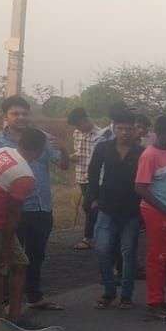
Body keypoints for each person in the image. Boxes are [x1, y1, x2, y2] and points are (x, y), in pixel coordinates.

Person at [0, 96, 69, 312]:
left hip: (41, 207)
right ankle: (8, 304)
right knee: (11, 258)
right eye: (15, 113)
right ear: (5, 116)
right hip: (14, 210)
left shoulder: (43, 139)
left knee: (37, 255)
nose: (20, 117)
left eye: (24, 113)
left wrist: (65, 148)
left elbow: (62, 165)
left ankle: (34, 297)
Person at [0, 127, 44, 323]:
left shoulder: (1, 152)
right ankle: (5, 320)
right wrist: (6, 248)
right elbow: (13, 215)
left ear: (20, 142)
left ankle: (3, 317)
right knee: (7, 267)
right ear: (39, 151)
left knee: (10, 267)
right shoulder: (25, 175)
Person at [87, 109, 143, 310]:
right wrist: (92, 198)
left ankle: (126, 295)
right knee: (102, 249)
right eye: (121, 128)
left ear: (135, 130)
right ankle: (109, 291)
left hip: (132, 208)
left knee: (128, 253)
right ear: (113, 128)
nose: (125, 133)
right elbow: (92, 173)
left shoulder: (141, 151)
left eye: (129, 129)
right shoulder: (103, 148)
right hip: (106, 206)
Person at [135, 116, 166, 321]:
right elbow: (140, 187)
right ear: (161, 133)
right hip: (158, 214)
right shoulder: (149, 155)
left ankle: (161, 299)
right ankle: (154, 303)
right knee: (157, 259)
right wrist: (165, 208)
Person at [67, 107, 102, 250]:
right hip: (81, 175)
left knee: (89, 205)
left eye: (78, 124)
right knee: (91, 208)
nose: (77, 128)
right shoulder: (77, 133)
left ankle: (88, 238)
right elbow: (78, 153)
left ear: (85, 120)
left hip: (95, 178)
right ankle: (98, 235)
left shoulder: (100, 135)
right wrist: (72, 156)